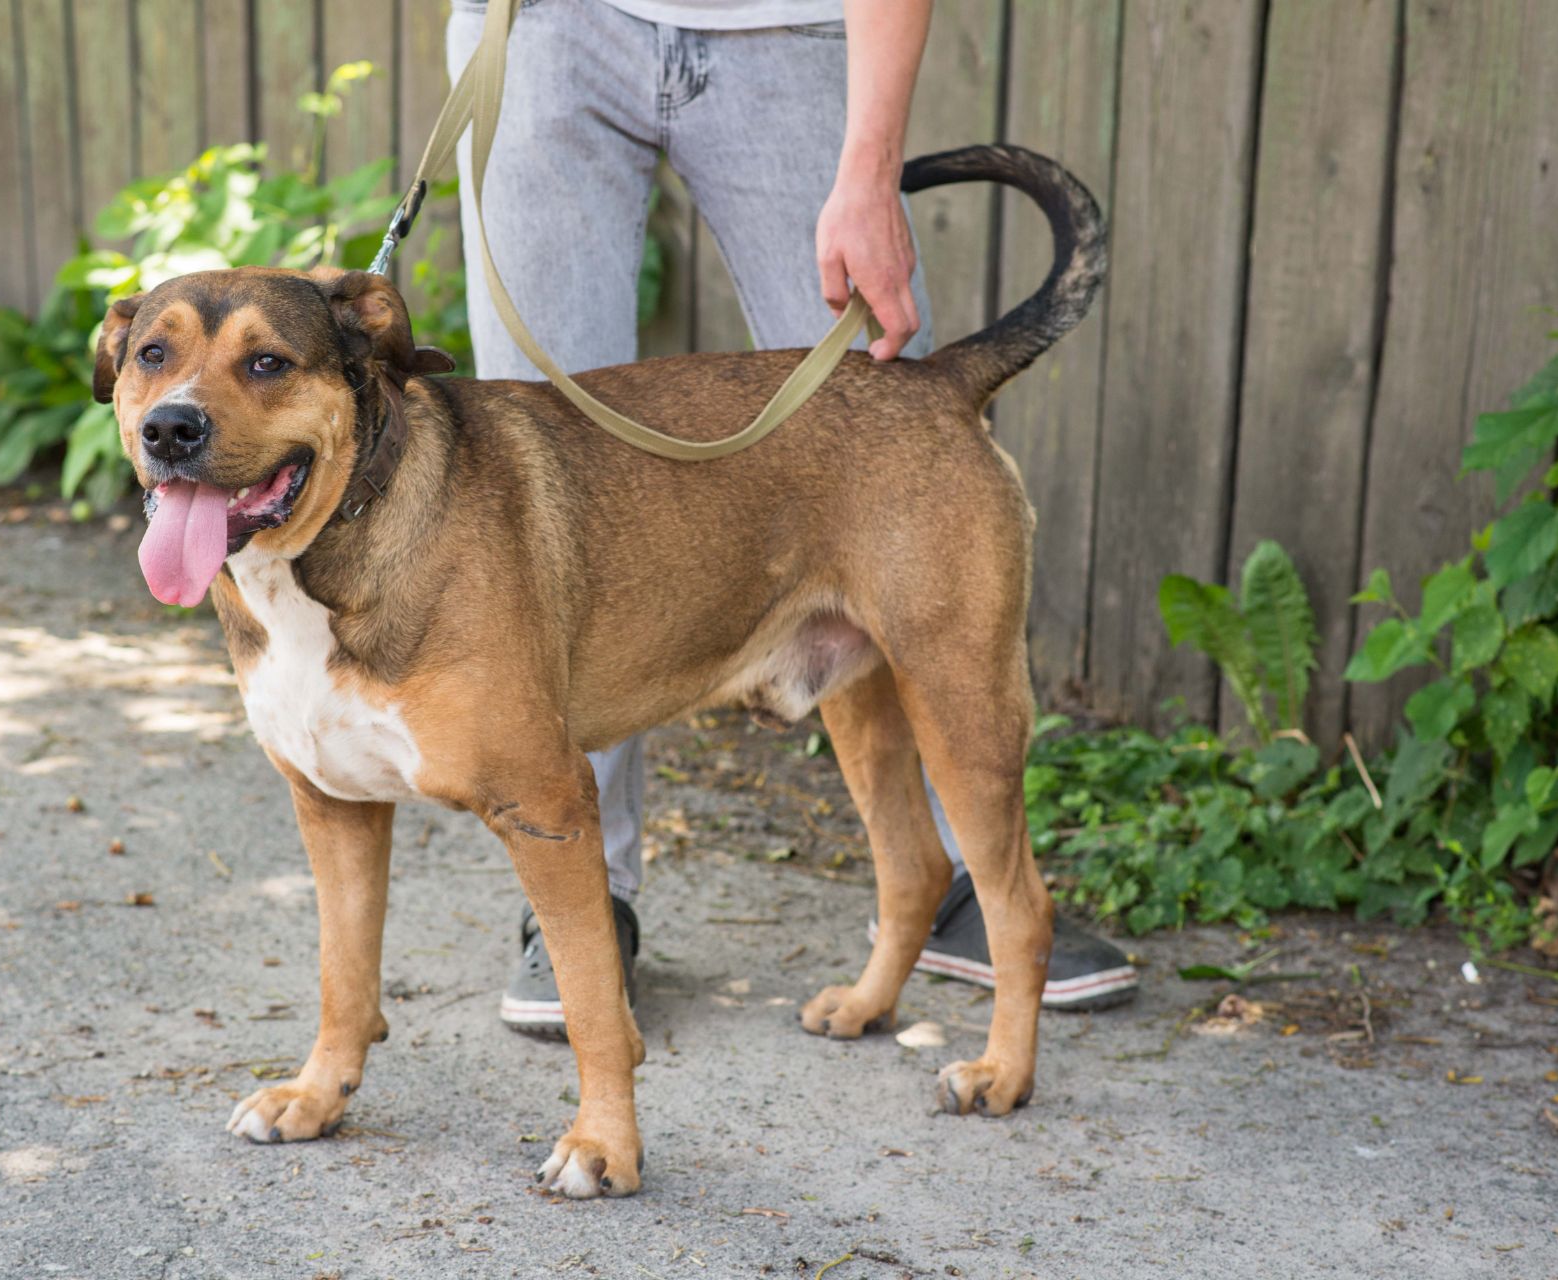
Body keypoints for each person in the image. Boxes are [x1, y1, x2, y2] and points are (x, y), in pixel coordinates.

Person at [441, 0, 1139, 1039]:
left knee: (889, 458)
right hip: (548, 24)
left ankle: (977, 895)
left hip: (791, 27)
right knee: (536, 497)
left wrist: (870, 166)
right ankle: (585, 908)